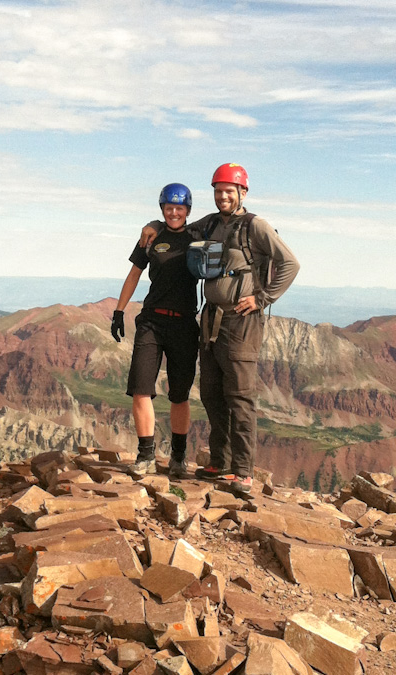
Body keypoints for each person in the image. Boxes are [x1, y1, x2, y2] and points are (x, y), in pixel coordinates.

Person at [139, 163, 299, 493]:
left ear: (242, 193)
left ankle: (242, 471)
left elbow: (290, 263)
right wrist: (154, 223)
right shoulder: (210, 223)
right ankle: (219, 462)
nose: (223, 196)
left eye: (229, 190)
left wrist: (263, 297)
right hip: (210, 319)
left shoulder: (255, 226)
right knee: (212, 393)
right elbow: (177, 224)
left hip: (241, 321)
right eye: (218, 190)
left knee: (239, 395)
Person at [111, 183, 199, 478]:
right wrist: (119, 311)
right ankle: (146, 455)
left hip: (185, 324)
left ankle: (178, 455)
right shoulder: (151, 237)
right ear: (162, 209)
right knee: (140, 389)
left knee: (179, 395)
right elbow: (134, 274)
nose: (174, 213)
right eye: (169, 208)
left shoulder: (198, 237)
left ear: (188, 210)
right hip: (152, 321)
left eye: (180, 208)